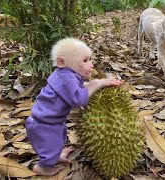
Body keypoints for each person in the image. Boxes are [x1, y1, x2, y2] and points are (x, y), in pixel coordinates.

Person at [26, 37, 123, 176]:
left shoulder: (65, 75)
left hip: (51, 121)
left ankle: (55, 156)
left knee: (58, 141)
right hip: (43, 124)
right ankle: (42, 167)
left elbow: (77, 89)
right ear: (62, 62)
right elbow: (79, 99)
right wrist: (97, 83)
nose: (91, 64)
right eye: (85, 61)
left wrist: (93, 85)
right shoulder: (67, 78)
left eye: (90, 59)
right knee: (50, 146)